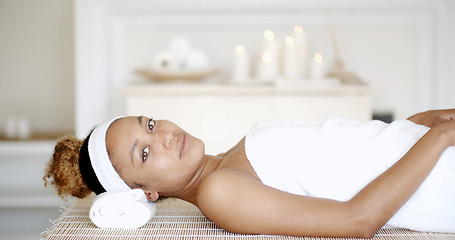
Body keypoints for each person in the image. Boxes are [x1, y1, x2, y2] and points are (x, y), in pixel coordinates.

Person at [44, 109, 455, 238]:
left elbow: (343, 153)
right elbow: (357, 220)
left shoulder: (231, 157)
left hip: (427, 145)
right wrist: (437, 140)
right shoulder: (220, 193)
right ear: (144, 193)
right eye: (145, 153)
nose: (166, 135)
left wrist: (414, 126)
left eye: (149, 124)